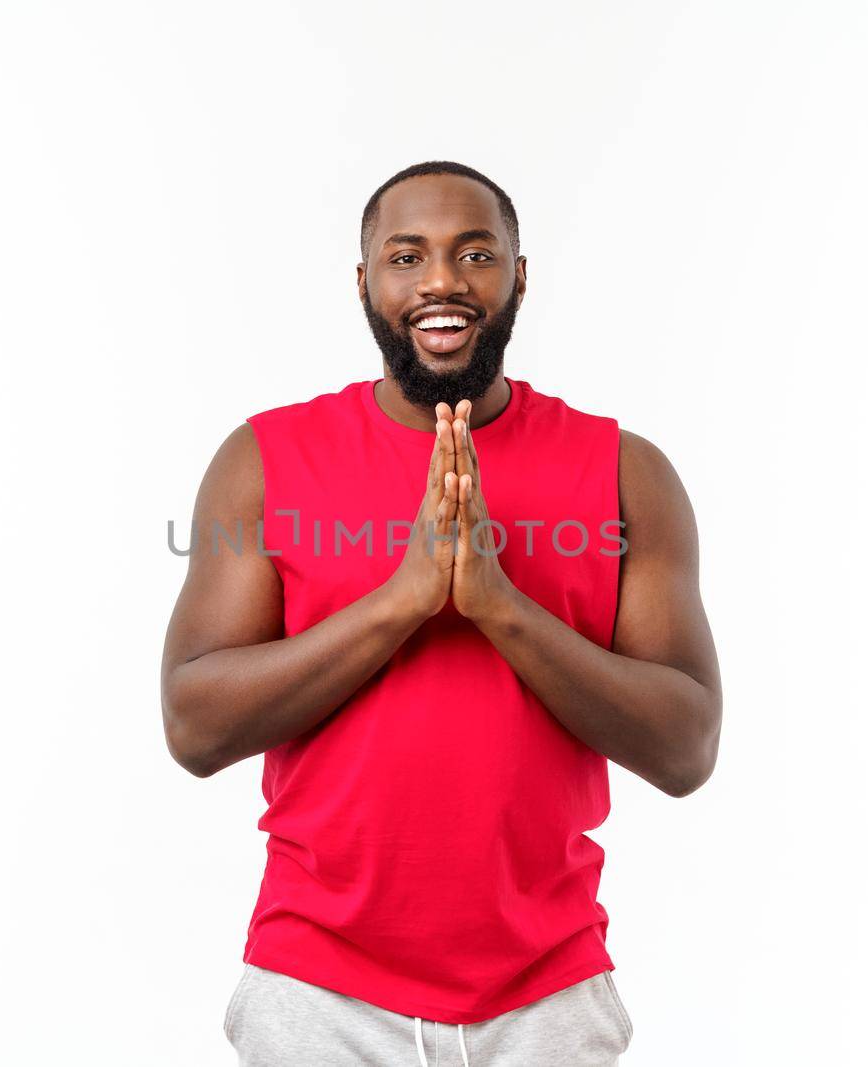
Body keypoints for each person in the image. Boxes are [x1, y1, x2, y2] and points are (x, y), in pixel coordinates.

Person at [161, 160, 722, 1066]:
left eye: (474, 253)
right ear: (365, 282)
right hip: (317, 995)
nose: (441, 282)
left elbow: (687, 748)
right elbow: (193, 725)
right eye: (406, 255)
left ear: (519, 275)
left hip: (548, 998)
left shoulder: (627, 474)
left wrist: (500, 607)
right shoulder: (264, 460)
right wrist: (402, 602)